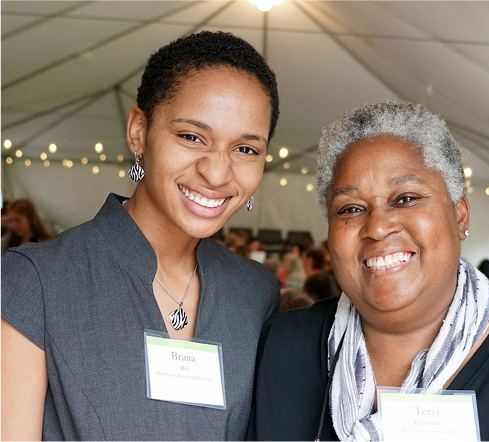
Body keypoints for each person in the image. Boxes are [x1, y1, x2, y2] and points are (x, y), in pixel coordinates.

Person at [249, 101, 489, 441]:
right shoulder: (284, 348)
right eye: (350, 208)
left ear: (460, 215)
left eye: (406, 199)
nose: (378, 227)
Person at [0, 31, 280, 441]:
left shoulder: (254, 293)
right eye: (191, 136)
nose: (217, 173)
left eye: (246, 149)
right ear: (138, 132)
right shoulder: (35, 282)